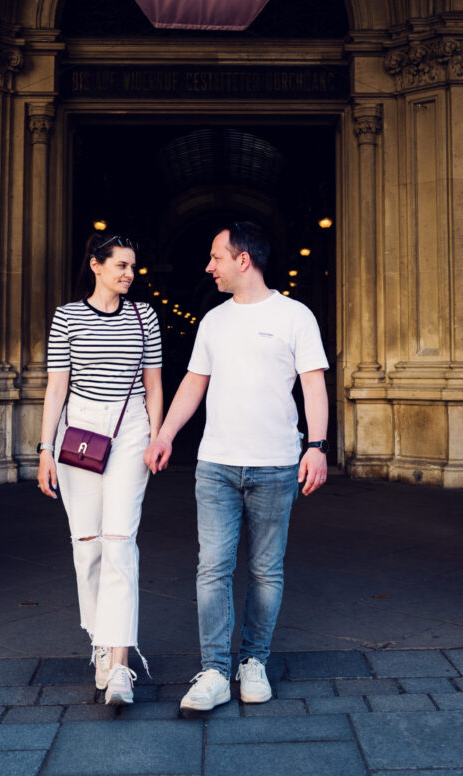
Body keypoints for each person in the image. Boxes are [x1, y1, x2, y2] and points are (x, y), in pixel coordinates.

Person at [145, 221, 329, 715]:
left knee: (266, 571)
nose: (210, 266)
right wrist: (164, 435)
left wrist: (316, 446)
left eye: (216, 257)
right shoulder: (213, 320)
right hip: (216, 466)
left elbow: (313, 384)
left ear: (243, 260)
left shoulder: (295, 316)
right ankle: (213, 671)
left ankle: (253, 662)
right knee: (212, 569)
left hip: (276, 465)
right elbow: (194, 383)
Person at [37, 231, 163, 706]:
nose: (129, 274)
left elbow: (154, 384)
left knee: (120, 542)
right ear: (96, 265)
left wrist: (157, 436)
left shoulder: (143, 316)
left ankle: (121, 664)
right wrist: (44, 449)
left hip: (130, 428)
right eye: (121, 265)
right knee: (87, 546)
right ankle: (102, 646)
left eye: (133, 266)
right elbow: (56, 387)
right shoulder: (67, 317)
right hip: (80, 429)